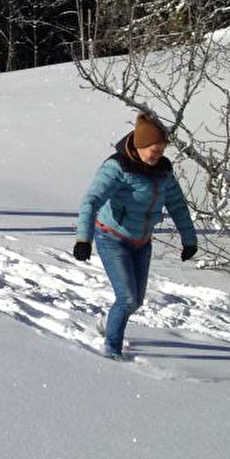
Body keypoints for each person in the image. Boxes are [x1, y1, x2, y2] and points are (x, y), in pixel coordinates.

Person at [74, 112, 199, 360]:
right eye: (153, 151)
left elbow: (177, 204)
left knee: (136, 301)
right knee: (127, 298)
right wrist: (83, 239)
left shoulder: (163, 171)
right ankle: (112, 351)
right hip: (112, 237)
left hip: (142, 242)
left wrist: (189, 240)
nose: (157, 155)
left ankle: (107, 324)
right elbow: (91, 200)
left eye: (161, 151)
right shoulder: (118, 167)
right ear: (140, 146)